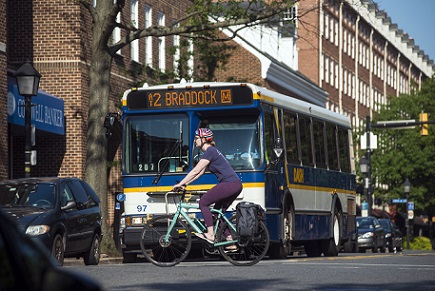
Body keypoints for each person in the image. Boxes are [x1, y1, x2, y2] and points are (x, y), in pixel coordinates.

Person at [173, 128, 243, 244]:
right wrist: (185, 184)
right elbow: (199, 173)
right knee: (217, 212)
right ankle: (230, 240)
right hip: (235, 185)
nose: (195, 141)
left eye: (196, 139)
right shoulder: (212, 152)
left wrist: (179, 184)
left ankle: (210, 235)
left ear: (204, 139)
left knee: (203, 202)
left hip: (229, 184)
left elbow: (195, 171)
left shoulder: (210, 152)